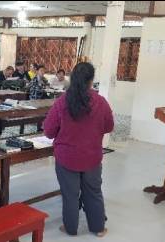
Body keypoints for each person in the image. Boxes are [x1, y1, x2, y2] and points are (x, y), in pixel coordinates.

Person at [43, 62, 113, 237]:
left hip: (67, 158)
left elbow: (49, 131)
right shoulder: (101, 102)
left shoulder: (62, 102)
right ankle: (98, 228)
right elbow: (109, 126)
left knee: (70, 195)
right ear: (91, 81)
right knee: (94, 192)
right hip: (92, 157)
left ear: (72, 78)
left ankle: (71, 228)